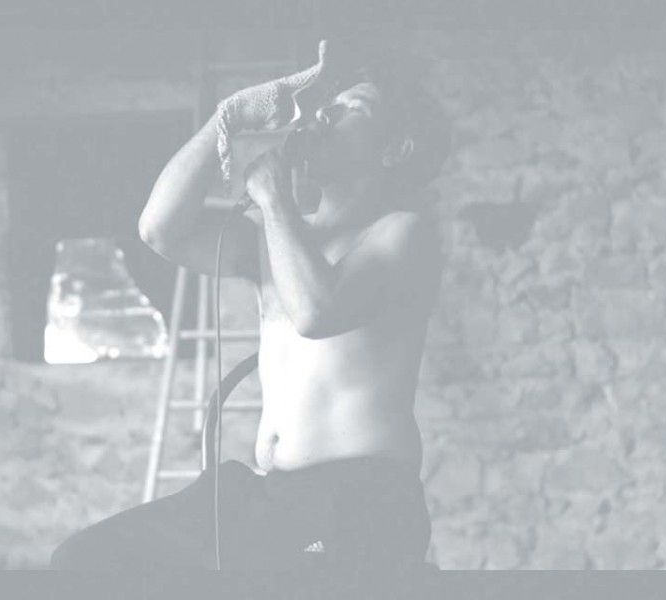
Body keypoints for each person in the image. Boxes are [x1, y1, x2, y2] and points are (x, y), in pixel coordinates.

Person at [51, 39, 450, 591]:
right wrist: (229, 116)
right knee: (85, 560)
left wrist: (274, 199)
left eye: (352, 109)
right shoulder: (274, 239)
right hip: (272, 494)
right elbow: (158, 229)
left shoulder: (403, 233)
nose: (325, 115)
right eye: (327, 107)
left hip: (359, 499)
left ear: (395, 149)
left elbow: (316, 313)